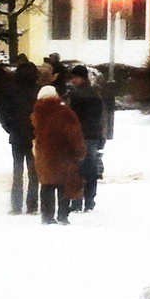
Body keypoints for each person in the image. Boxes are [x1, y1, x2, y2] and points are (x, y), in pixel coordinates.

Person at [29, 84, 88, 225]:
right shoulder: (64, 112)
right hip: (63, 154)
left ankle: (47, 217)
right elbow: (74, 134)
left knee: (47, 185)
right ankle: (62, 216)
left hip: (44, 155)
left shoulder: (36, 112)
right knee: (64, 186)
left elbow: (32, 131)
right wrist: (80, 152)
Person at [0, 53, 39, 214]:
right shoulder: (38, 91)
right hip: (35, 136)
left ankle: (16, 205)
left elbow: (2, 113)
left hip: (17, 135)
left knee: (17, 171)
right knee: (34, 172)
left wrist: (11, 128)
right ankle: (32, 205)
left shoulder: (10, 90)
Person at [64, 62, 109, 212]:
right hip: (92, 135)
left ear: (81, 78)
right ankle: (88, 201)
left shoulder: (81, 95)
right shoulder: (93, 92)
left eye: (75, 77)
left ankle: (79, 201)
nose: (72, 80)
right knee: (89, 170)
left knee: (80, 170)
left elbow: (77, 117)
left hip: (84, 135)